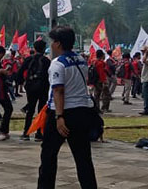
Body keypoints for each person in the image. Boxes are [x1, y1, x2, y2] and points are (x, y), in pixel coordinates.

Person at [38, 26, 97, 189]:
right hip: (81, 112)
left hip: (62, 113)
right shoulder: (81, 60)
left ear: (58, 43)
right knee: (83, 158)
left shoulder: (57, 63)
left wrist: (59, 116)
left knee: (48, 156)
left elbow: (58, 90)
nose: (51, 44)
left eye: (52, 41)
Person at [16, 39, 50, 141]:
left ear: (34, 48)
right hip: (43, 87)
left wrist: (21, 82)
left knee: (30, 110)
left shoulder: (29, 59)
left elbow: (20, 71)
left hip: (31, 87)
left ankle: (26, 132)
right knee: (41, 111)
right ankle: (39, 133)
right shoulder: (47, 61)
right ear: (44, 49)